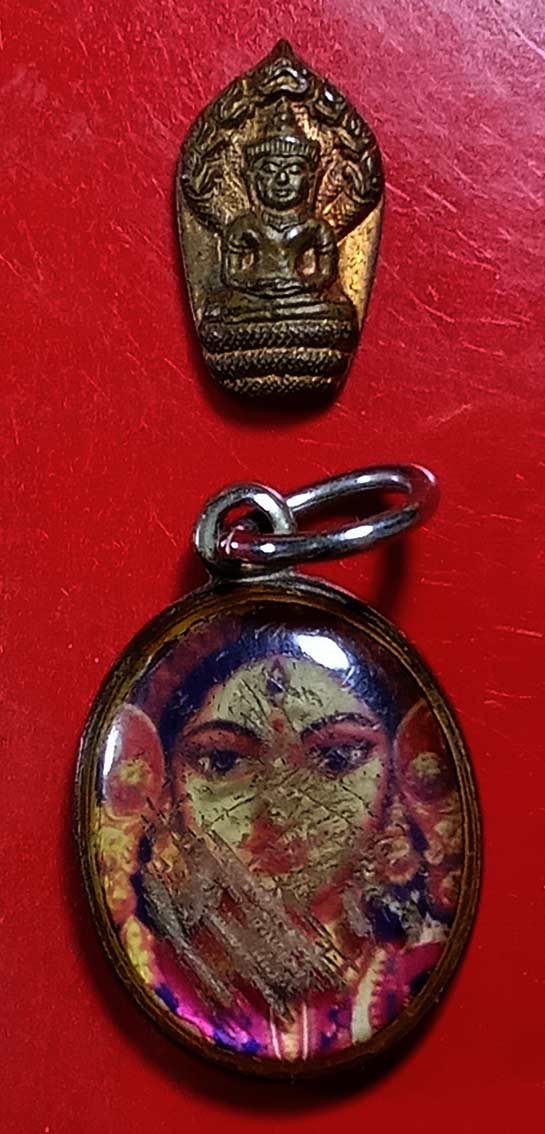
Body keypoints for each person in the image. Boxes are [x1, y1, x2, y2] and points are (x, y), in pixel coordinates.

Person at [99, 617, 462, 1062]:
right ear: (164, 786)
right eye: (224, 761)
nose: (278, 809)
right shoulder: (154, 970)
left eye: (336, 757)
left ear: (397, 782)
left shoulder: (410, 973)